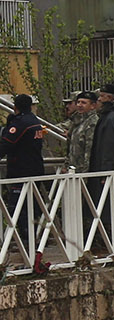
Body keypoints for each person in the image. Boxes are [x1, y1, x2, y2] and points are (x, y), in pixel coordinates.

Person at [2, 94, 50, 233]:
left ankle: (25, 238)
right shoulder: (34, 121)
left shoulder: (20, 123)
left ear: (15, 107)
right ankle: (33, 237)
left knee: (18, 207)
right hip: (35, 168)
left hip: (21, 170)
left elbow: (6, 144)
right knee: (32, 206)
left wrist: (8, 127)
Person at [65, 91, 99, 173]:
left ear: (93, 106)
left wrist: (85, 174)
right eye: (78, 102)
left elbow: (89, 150)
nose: (80, 105)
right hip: (73, 170)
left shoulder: (92, 123)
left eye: (83, 103)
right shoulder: (77, 121)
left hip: (83, 172)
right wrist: (66, 165)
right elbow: (70, 146)